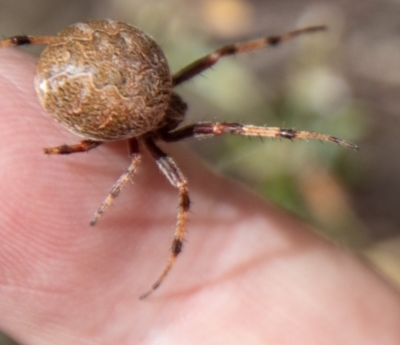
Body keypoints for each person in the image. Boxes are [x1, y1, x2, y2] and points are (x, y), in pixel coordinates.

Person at [1, 48, 400, 344]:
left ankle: (171, 261)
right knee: (183, 180)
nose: (179, 112)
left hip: (106, 85)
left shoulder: (150, 128)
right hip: (100, 88)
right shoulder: (144, 139)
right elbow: (148, 167)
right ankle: (172, 258)